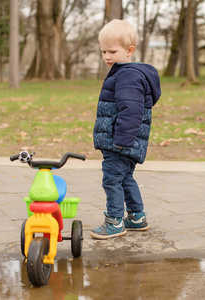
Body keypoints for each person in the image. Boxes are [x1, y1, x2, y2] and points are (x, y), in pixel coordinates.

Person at [90, 19, 161, 239]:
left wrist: (122, 141)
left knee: (111, 179)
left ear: (130, 50)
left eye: (112, 51)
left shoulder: (127, 76)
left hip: (120, 142)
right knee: (125, 178)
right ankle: (137, 217)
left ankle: (114, 221)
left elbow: (131, 110)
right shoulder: (126, 73)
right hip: (125, 141)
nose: (107, 57)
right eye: (103, 51)